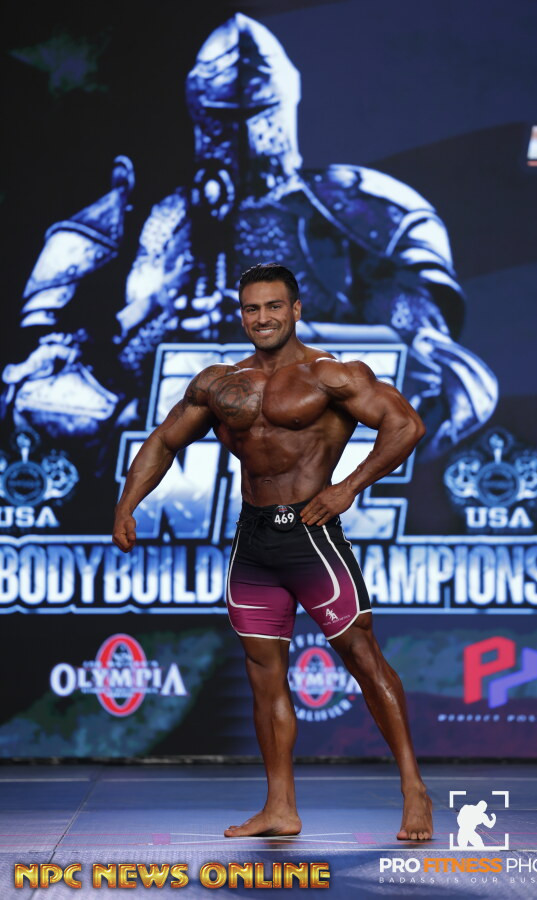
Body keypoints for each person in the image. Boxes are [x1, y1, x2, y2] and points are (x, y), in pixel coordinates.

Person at [112, 262, 433, 841]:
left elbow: (406, 425)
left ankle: (414, 789)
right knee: (264, 675)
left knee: (363, 657)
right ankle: (280, 806)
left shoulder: (330, 374)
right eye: (252, 308)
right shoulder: (220, 383)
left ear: (295, 309)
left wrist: (347, 487)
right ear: (242, 315)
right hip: (254, 542)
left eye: (274, 306)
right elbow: (163, 440)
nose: (262, 318)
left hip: (311, 535)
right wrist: (126, 505)